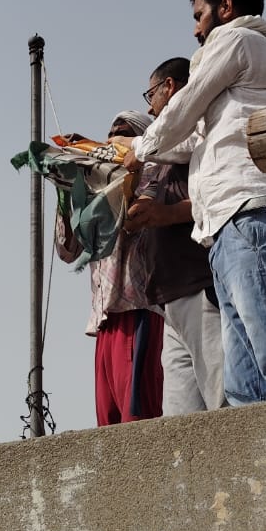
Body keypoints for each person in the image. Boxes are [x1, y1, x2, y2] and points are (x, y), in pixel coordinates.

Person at [115, 0, 266, 406]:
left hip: (253, 217)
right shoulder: (240, 62)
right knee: (246, 388)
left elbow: (183, 107)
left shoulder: (236, 39)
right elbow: (188, 142)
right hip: (229, 228)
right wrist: (126, 150)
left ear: (225, 7)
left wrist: (142, 146)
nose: (195, 28)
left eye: (199, 15)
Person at [125, 58, 224, 415]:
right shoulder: (162, 148)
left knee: (223, 398)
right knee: (181, 422)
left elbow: (215, 196)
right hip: (169, 297)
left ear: (170, 87)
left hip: (197, 283)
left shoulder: (198, 134)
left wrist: (165, 214)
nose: (149, 107)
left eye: (150, 94)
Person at [54, 110, 165, 425]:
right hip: (104, 320)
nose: (114, 135)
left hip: (136, 309)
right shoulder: (95, 187)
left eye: (125, 131)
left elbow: (136, 216)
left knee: (137, 422)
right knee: (109, 426)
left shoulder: (151, 172)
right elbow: (67, 250)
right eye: (111, 131)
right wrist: (66, 188)